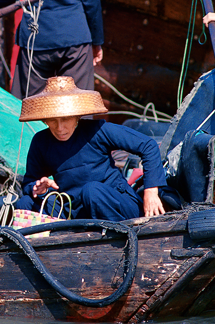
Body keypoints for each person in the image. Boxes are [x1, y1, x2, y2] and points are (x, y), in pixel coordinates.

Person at [11, 76, 179, 221]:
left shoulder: (97, 130)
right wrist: (37, 187)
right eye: (53, 121)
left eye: (65, 119)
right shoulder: (41, 142)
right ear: (45, 120)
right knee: (24, 203)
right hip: (76, 209)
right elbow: (29, 182)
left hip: (115, 204)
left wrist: (151, 192)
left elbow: (147, 145)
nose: (60, 127)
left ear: (76, 116)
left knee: (91, 191)